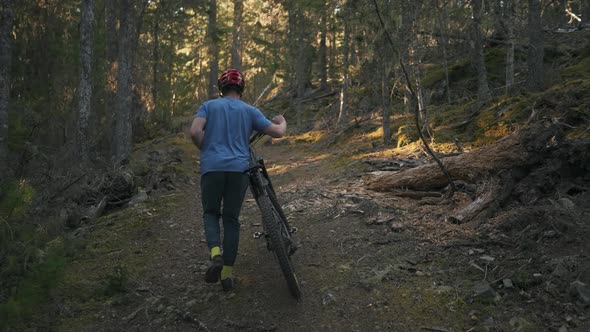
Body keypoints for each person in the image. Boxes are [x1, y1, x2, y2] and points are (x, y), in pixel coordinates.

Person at [190, 69, 287, 291]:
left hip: (212, 168)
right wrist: (282, 122)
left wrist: (206, 149)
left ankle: (215, 253)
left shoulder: (208, 106)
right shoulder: (249, 110)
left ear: (221, 88)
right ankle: (227, 275)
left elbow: (195, 132)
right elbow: (277, 133)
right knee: (231, 218)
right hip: (238, 170)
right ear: (241, 88)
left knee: (211, 212)